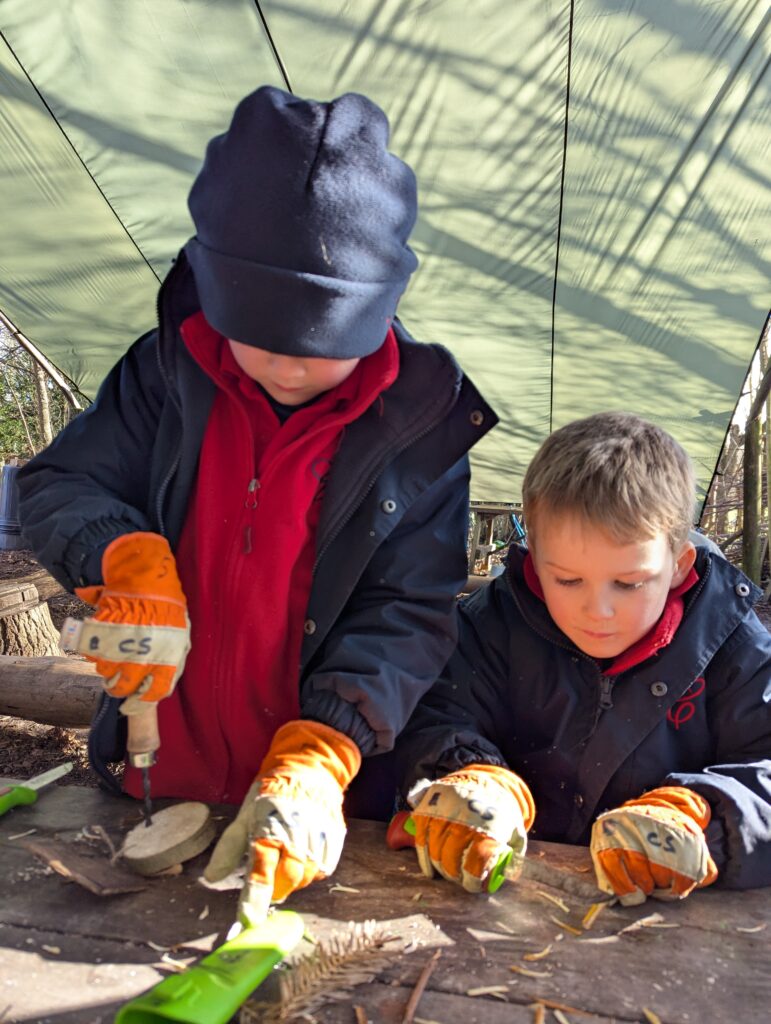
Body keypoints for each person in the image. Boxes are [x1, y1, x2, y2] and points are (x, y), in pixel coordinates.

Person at [17, 84, 497, 925]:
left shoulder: (419, 428)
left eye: (321, 348)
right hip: (150, 775)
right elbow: (59, 483)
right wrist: (122, 555)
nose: (286, 367)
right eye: (260, 336)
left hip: (319, 805)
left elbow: (410, 612)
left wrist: (325, 747)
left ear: (376, 311)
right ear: (216, 290)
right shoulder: (164, 372)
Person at [395, 412, 771, 905]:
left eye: (630, 583)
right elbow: (437, 712)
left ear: (677, 568)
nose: (598, 610)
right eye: (567, 580)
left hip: (671, 928)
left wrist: (696, 817)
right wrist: (472, 776)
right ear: (534, 560)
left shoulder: (732, 644)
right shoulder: (492, 625)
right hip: (502, 900)